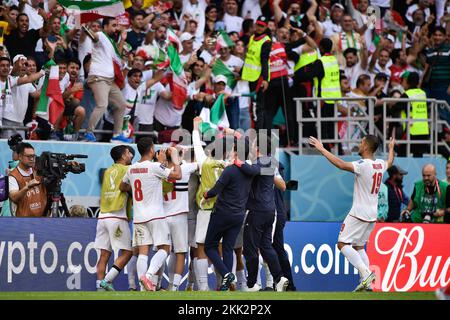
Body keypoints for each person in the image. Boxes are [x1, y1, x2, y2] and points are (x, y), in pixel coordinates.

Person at [309, 134, 395, 291]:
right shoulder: (380, 165)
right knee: (359, 246)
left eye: (361, 143)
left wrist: (322, 149)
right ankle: (368, 284)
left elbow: (341, 165)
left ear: (367, 147)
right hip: (372, 215)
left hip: (358, 213)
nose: (359, 145)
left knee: (342, 244)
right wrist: (391, 148)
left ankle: (366, 272)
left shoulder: (363, 165)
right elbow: (390, 161)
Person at [120, 137, 181, 291]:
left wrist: (134, 188)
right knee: (165, 248)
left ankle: (143, 289)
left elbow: (122, 186)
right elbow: (177, 176)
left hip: (139, 216)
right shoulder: (154, 167)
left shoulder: (131, 168)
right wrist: (176, 160)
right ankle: (148, 276)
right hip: (156, 215)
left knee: (143, 252)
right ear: (152, 150)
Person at [237, 134, 289, 292]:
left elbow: (251, 170)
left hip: (257, 211)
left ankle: (252, 284)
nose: (251, 147)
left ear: (258, 148)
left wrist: (237, 162)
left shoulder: (260, 162)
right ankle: (279, 278)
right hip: (270, 210)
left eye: (253, 145)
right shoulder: (272, 162)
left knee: (250, 249)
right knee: (266, 247)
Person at [203, 135, 253, 291]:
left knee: (209, 247)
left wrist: (205, 194)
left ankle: (226, 274)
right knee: (228, 248)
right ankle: (227, 283)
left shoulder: (230, 170)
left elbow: (215, 190)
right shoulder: (250, 171)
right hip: (239, 215)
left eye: (233, 149)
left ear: (236, 152)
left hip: (222, 213)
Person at [84, 17, 130, 143]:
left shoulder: (110, 41)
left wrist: (123, 39)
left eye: (117, 25)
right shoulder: (100, 35)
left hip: (110, 80)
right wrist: (86, 27)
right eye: (113, 25)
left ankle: (117, 135)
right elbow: (94, 36)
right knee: (102, 105)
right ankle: (89, 132)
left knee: (121, 105)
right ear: (105, 27)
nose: (116, 28)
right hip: (99, 78)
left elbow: (118, 56)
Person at [95, 145, 134, 291]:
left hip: (102, 215)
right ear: (123, 156)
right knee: (128, 252)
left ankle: (99, 288)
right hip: (116, 215)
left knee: (104, 254)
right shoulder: (127, 170)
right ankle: (106, 280)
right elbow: (128, 187)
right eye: (129, 153)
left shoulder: (108, 171)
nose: (131, 155)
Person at [294, 38, 342, 151]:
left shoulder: (321, 61)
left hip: (324, 99)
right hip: (334, 98)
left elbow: (309, 75)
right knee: (332, 126)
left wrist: (296, 75)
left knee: (323, 127)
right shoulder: (333, 60)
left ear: (321, 48)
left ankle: (327, 152)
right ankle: (339, 150)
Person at [162, 147, 198, 291]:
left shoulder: (160, 170)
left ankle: (158, 283)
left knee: (165, 252)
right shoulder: (186, 168)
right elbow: (203, 164)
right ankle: (174, 286)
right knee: (181, 252)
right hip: (180, 216)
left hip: (164, 216)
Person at [241, 15, 271, 130]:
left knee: (257, 108)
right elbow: (249, 58)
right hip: (247, 77)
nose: (259, 28)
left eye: (262, 26)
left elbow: (265, 61)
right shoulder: (252, 37)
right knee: (249, 107)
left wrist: (265, 79)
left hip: (257, 79)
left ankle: (258, 136)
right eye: (258, 25)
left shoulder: (266, 41)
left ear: (266, 27)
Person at [392, 72, 430, 157]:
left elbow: (396, 108)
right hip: (424, 130)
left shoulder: (407, 94)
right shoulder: (423, 93)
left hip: (412, 131)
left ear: (408, 81)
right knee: (418, 156)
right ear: (418, 82)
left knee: (401, 153)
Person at [8, 142, 47, 217]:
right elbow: (14, 197)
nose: (32, 159)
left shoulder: (38, 171)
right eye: (28, 156)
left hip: (42, 219)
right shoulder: (13, 176)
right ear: (20, 157)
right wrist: (27, 187)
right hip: (24, 222)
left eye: (33, 156)